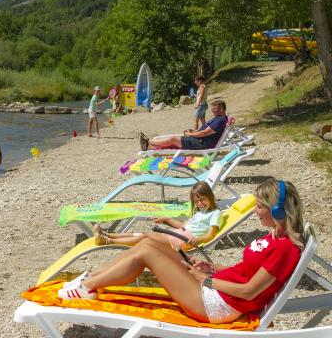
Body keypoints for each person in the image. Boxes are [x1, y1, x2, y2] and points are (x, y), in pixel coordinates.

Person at [59, 178, 304, 325]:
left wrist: (207, 280)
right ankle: (90, 280)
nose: (255, 211)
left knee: (147, 253)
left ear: (279, 211)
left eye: (260, 207)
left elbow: (250, 292)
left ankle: (87, 287)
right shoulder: (274, 237)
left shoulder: (285, 248)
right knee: (148, 244)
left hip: (217, 305)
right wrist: (213, 268)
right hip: (215, 289)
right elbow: (246, 273)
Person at [94, 182, 221, 249]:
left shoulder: (215, 213)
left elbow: (211, 235)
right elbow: (183, 225)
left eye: (202, 199)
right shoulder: (200, 212)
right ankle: (107, 234)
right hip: (181, 234)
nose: (200, 203)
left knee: (146, 238)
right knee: (142, 235)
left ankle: (106, 241)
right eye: (197, 201)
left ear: (210, 196)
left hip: (185, 240)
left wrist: (197, 240)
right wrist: (167, 219)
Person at [148, 100, 228, 150]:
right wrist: (195, 131)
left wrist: (190, 134)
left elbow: (203, 133)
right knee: (174, 138)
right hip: (201, 140)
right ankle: (152, 145)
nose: (212, 111)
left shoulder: (220, 121)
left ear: (221, 109)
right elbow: (205, 131)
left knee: (173, 139)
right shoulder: (219, 118)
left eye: (214, 109)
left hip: (202, 144)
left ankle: (149, 142)